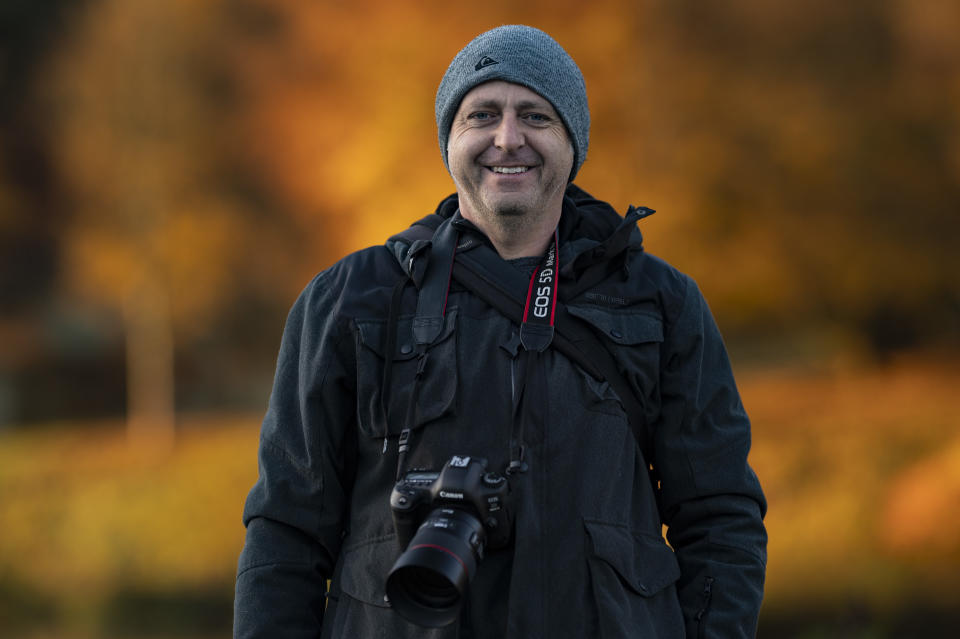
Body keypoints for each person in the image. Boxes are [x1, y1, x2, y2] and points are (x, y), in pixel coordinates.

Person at [234, 24, 767, 639]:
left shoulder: (659, 302)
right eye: (481, 114)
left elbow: (720, 516)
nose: (507, 139)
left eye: (536, 116)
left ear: (573, 140)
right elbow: (286, 529)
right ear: (450, 140)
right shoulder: (351, 300)